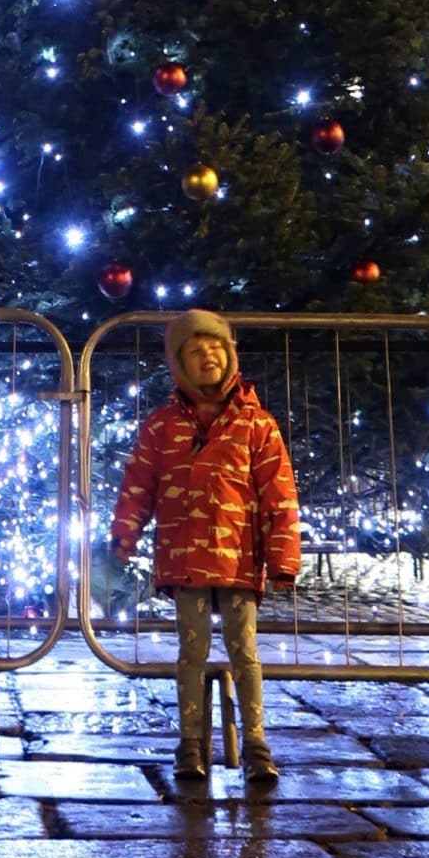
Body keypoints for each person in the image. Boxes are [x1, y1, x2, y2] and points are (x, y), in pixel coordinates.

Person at [110, 309, 301, 786]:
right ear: (179, 365)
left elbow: (279, 493)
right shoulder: (161, 427)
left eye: (215, 349)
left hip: (239, 559)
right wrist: (124, 535)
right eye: (195, 352)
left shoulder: (258, 425)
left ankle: (256, 743)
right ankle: (190, 743)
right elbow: (139, 485)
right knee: (190, 653)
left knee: (245, 652)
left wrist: (283, 556)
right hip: (186, 560)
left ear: (230, 356)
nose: (207, 357)